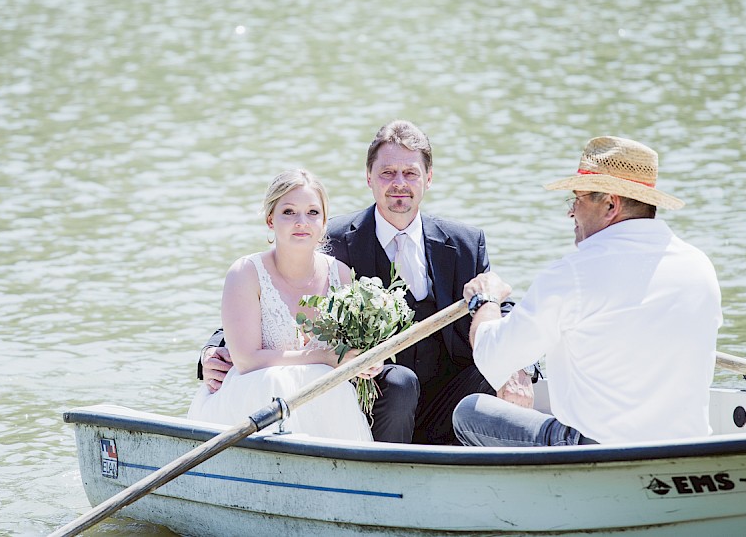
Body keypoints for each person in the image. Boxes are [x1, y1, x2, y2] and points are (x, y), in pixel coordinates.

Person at [200, 121, 532, 444]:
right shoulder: (333, 240)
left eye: (410, 173)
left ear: (428, 178)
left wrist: (521, 366)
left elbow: (500, 307)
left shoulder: (464, 244)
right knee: (401, 382)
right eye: (387, 173)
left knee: (492, 369)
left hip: (447, 399)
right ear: (369, 178)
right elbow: (268, 298)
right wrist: (213, 351)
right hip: (375, 400)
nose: (398, 183)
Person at [454, 136, 723, 447]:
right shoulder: (699, 266)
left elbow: (492, 355)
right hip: (688, 447)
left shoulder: (573, 274)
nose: (571, 213)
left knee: (469, 410)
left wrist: (485, 300)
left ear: (611, 204)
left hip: (596, 451)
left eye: (577, 200)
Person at [187, 169, 372, 441]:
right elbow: (247, 359)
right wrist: (323, 357)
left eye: (312, 213)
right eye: (288, 212)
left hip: (324, 404)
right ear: (270, 219)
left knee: (331, 386)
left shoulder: (341, 275)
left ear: (323, 222)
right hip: (255, 395)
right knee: (277, 382)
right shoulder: (246, 273)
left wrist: (366, 361)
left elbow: (351, 350)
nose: (301, 222)